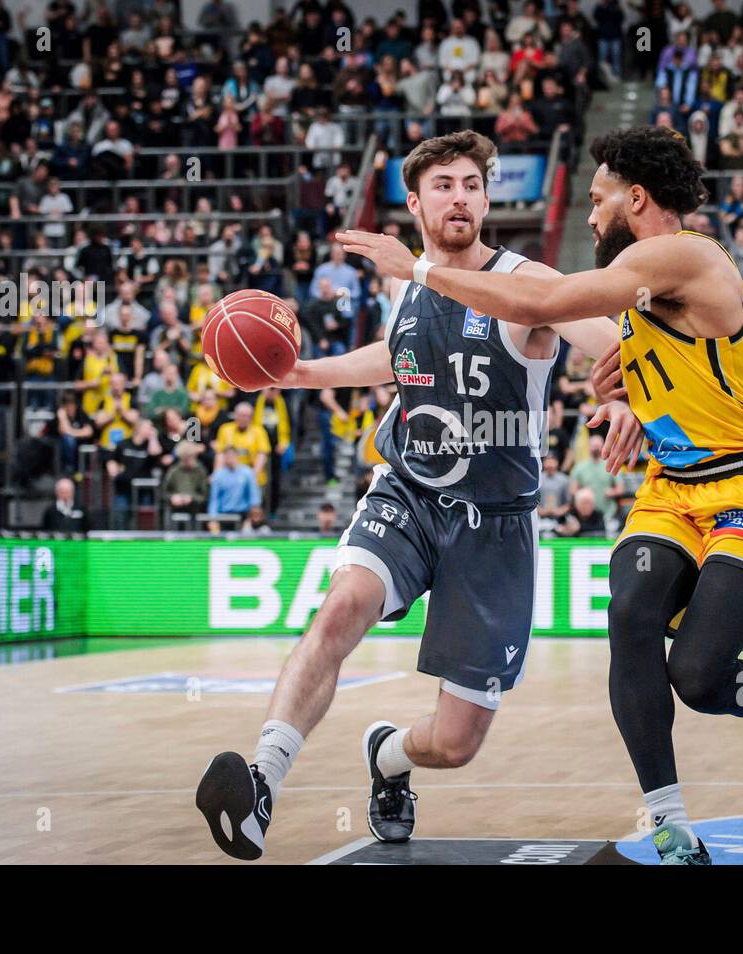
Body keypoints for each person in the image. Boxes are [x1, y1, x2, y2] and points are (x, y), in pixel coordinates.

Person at [341, 125, 743, 866]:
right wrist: (629, 394)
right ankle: (669, 825)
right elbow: (647, 358)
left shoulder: (678, 254)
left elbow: (551, 300)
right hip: (671, 493)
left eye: (598, 199)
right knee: (629, 613)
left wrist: (419, 270)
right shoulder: (644, 286)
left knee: (699, 677)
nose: (591, 214)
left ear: (636, 198)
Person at [197, 131, 624, 860]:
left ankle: (389, 758)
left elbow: (614, 335)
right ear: (417, 202)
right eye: (444, 185)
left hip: (495, 523)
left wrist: (630, 395)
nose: (460, 196)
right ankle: (262, 780)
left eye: (471, 185)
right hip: (409, 492)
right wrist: (304, 374)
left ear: (487, 200)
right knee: (341, 608)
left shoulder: (528, 282)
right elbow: (394, 357)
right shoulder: (408, 287)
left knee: (454, 744)